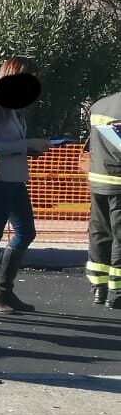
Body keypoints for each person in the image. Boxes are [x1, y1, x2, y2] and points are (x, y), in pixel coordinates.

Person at [0, 57, 48, 313]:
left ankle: (4, 290)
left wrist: (31, 149)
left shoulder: (14, 108)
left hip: (14, 178)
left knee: (26, 232)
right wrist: (27, 145)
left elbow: (11, 144)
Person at [84, 87, 121, 309]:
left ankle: (99, 288)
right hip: (119, 182)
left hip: (98, 180)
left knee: (99, 232)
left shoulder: (98, 105)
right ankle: (117, 291)